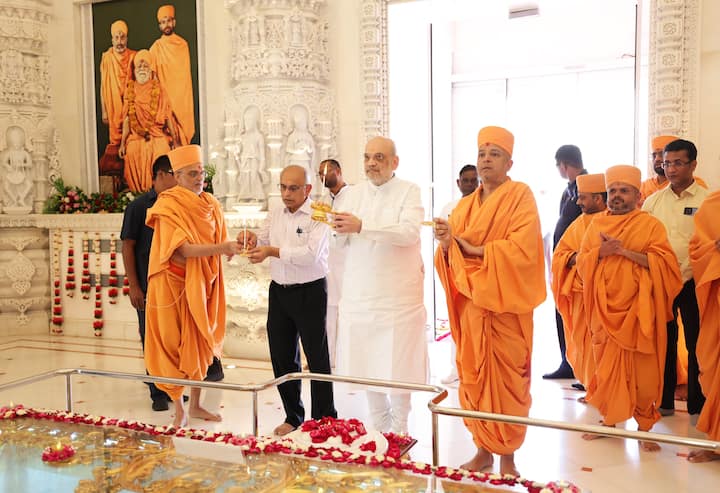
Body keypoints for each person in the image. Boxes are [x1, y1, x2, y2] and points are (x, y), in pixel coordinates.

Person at [433, 126, 545, 476]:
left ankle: (508, 459)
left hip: (507, 306)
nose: (485, 160)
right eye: (482, 153)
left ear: (509, 162)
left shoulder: (520, 195)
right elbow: (450, 259)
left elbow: (525, 251)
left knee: (511, 381)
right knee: (474, 376)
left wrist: (476, 249)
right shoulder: (463, 207)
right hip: (473, 308)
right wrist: (448, 243)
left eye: (494, 154)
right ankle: (482, 450)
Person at [577, 165, 682, 451]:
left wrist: (624, 252)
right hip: (604, 310)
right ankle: (609, 422)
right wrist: (602, 252)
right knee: (607, 369)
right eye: (613, 191)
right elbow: (581, 265)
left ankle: (645, 427)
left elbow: (665, 264)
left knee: (644, 373)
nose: (617, 196)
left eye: (624, 191)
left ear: (637, 196)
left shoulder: (650, 225)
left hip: (639, 311)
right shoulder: (595, 225)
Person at [333, 136, 428, 435]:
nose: (371, 163)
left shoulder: (409, 191)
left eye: (379, 158)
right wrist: (333, 226)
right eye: (366, 157)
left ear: (394, 162)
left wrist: (362, 226)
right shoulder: (351, 195)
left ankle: (400, 430)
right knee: (366, 361)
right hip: (360, 294)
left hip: (397, 297)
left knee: (399, 363)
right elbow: (340, 243)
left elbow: (408, 233)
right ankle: (379, 428)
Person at [144, 145, 243, 427]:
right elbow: (183, 250)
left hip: (203, 281)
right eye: (191, 174)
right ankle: (179, 407)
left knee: (201, 340)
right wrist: (222, 247)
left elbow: (220, 238)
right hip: (171, 284)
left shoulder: (210, 203)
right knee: (173, 345)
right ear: (176, 176)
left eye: (200, 172)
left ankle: (197, 405)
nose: (199, 178)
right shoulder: (168, 205)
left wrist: (230, 246)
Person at [243, 165, 337, 436]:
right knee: (282, 355)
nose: (286, 193)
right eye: (283, 187)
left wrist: (272, 251)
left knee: (317, 356)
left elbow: (310, 255)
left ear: (307, 189)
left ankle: (324, 418)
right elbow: (261, 237)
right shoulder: (276, 212)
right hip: (279, 291)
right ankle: (293, 415)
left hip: (310, 290)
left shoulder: (318, 214)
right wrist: (249, 238)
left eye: (293, 188)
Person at [642, 139, 708, 417]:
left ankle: (698, 404)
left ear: (693, 164)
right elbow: (643, 239)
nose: (670, 168)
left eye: (677, 163)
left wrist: (684, 272)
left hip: (695, 282)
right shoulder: (652, 201)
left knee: (697, 344)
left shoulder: (707, 200)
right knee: (663, 343)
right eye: (666, 163)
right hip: (660, 282)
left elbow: (708, 241)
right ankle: (665, 402)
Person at [120, 155, 177, 411]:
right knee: (151, 338)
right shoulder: (139, 206)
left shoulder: (178, 205)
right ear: (162, 175)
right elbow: (128, 246)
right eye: (176, 174)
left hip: (174, 286)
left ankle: (173, 387)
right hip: (147, 285)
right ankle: (157, 392)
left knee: (173, 337)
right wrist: (134, 285)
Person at [550, 174, 607, 400]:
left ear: (599, 199)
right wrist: (584, 258)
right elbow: (561, 256)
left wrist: (580, 258)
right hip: (580, 297)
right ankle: (591, 387)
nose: (578, 202)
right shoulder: (579, 224)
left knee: (602, 346)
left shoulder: (612, 222)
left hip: (605, 298)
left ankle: (606, 390)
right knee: (584, 344)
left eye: (583, 198)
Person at [544, 145, 586, 381]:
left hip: (578, 264)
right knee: (563, 314)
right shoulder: (569, 189)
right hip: (563, 263)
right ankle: (567, 362)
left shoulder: (587, 186)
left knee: (579, 319)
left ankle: (583, 369)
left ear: (563, 164)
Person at [438, 164, 479, 385]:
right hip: (455, 272)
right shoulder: (449, 208)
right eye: (467, 180)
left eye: (475, 180)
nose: (471, 184)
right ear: (458, 183)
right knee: (456, 320)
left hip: (479, 275)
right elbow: (442, 239)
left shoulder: (487, 206)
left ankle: (478, 368)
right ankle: (457, 367)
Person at [687, 189, 720, 462]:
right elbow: (697, 250)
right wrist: (715, 249)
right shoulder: (713, 204)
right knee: (715, 369)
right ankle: (718, 443)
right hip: (717, 303)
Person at [119, 50, 178, 192]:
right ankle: (137, 192)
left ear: (151, 68)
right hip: (136, 136)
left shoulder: (159, 89)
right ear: (134, 69)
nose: (142, 69)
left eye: (145, 66)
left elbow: (167, 115)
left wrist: (175, 140)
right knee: (131, 151)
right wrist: (122, 143)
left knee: (162, 150)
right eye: (139, 67)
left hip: (156, 134)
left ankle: (159, 192)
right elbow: (127, 119)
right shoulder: (130, 89)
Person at [318, 159, 349, 367]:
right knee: (327, 311)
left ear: (338, 171)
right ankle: (327, 359)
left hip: (347, 261)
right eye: (319, 173)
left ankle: (347, 359)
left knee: (346, 311)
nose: (322, 176)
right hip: (326, 262)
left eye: (325, 172)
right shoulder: (322, 199)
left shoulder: (353, 196)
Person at [150, 4, 195, 145]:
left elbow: (185, 77)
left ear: (174, 22)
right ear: (159, 26)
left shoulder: (183, 45)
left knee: (184, 134)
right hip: (166, 99)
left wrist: (180, 97)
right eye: (163, 22)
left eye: (168, 21)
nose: (166, 25)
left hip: (182, 99)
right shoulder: (156, 47)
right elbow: (153, 77)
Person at [640, 135, 708, 205]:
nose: (657, 159)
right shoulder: (644, 187)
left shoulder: (696, 184)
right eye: (654, 155)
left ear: (693, 165)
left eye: (661, 154)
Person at [100, 20, 136, 146]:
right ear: (112, 40)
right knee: (115, 143)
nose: (120, 41)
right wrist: (104, 111)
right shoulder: (107, 58)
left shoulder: (133, 56)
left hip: (129, 105)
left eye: (122, 37)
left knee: (130, 141)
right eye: (117, 38)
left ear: (127, 39)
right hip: (113, 106)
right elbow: (103, 86)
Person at [237, 105, 268, 202]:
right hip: (244, 161)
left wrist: (262, 167)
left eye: (249, 120)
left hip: (254, 160)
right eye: (245, 120)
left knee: (254, 178)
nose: (247, 123)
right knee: (246, 179)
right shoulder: (242, 137)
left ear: (255, 122)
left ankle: (257, 197)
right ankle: (244, 196)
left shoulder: (259, 136)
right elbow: (238, 149)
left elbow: (262, 154)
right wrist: (236, 151)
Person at [0, 125, 34, 210]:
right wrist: (8, 166)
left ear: (21, 143)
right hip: (11, 173)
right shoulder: (10, 152)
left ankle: (22, 199)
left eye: (18, 143)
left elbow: (30, 164)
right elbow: (4, 162)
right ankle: (14, 200)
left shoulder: (24, 153)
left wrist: (22, 165)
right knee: (6, 187)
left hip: (20, 173)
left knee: (29, 185)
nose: (16, 145)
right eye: (15, 143)